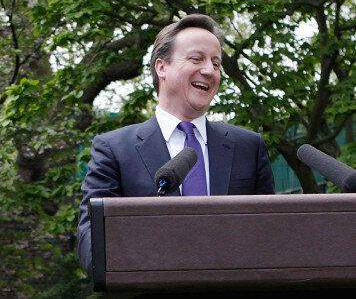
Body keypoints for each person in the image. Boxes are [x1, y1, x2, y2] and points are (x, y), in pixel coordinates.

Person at [77, 14, 275, 274]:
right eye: (197, 59)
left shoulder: (248, 147)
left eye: (216, 64)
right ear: (162, 67)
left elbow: (272, 233)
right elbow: (91, 240)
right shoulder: (114, 149)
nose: (209, 70)